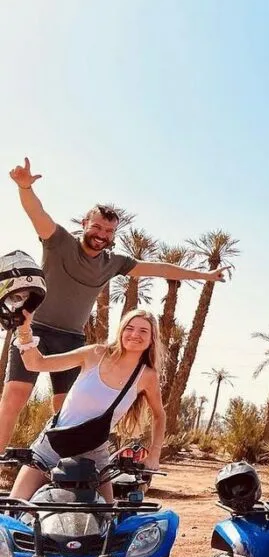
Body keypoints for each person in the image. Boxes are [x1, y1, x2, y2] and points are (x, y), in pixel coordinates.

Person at [3, 158, 229, 455]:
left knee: (66, 407)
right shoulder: (59, 242)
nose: (102, 235)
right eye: (97, 227)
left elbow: (159, 269)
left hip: (72, 338)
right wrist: (25, 187)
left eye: (109, 232)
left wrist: (204, 275)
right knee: (15, 395)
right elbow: (37, 213)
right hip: (36, 330)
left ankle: (63, 468)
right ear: (85, 224)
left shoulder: (114, 263)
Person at [7, 308, 165, 504]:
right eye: (129, 328)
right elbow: (35, 363)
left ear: (152, 339)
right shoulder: (95, 353)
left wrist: (154, 454)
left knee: (106, 521)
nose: (135, 334)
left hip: (95, 456)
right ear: (121, 331)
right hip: (51, 447)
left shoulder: (147, 376)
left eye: (143, 331)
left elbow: (159, 414)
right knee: (13, 509)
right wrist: (24, 329)